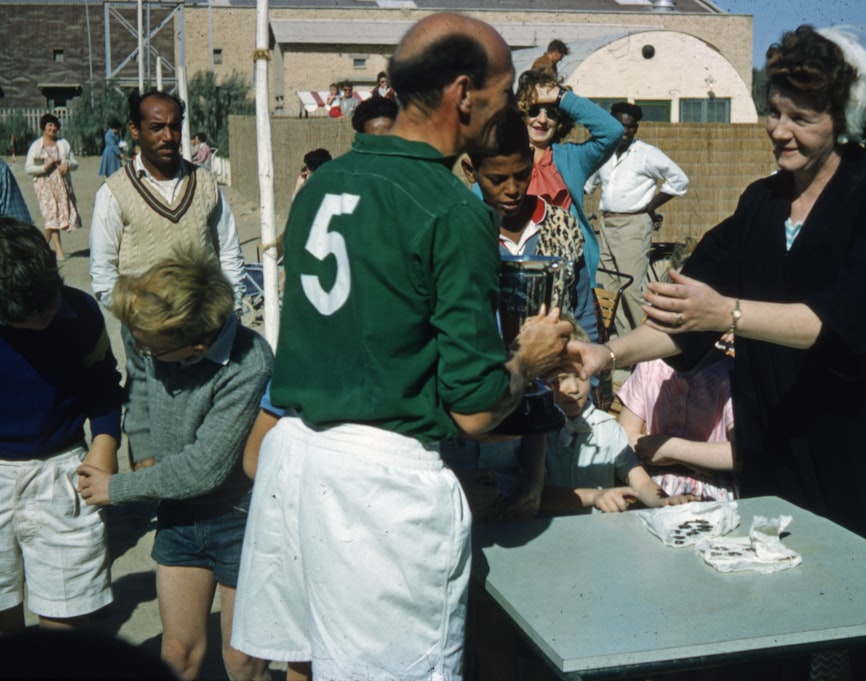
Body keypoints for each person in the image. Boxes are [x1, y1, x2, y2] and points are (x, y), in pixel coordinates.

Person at [566, 25, 866, 678]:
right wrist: (609, 350)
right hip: (792, 465)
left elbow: (847, 321)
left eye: (802, 115)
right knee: (782, 640)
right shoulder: (760, 205)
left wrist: (729, 313)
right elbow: (689, 318)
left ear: (843, 117)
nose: (781, 129)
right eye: (775, 111)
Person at [230, 13, 570, 681]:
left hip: (294, 460)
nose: (507, 111)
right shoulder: (451, 207)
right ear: (464, 94)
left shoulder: (324, 184)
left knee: (300, 667)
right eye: (504, 96)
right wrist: (527, 358)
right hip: (378, 488)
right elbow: (474, 408)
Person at [76, 255, 272, 681]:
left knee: (243, 660)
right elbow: (140, 383)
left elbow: (205, 468)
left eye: (149, 347)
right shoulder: (151, 333)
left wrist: (122, 488)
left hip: (239, 519)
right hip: (179, 513)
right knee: (178, 650)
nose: (140, 348)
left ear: (197, 345)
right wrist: (144, 453)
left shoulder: (250, 364)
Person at [0, 217, 122, 636]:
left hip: (62, 474)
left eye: (50, 307)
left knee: (67, 621)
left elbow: (104, 387)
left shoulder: (82, 315)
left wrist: (104, 443)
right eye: (30, 320)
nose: (45, 320)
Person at [90, 91, 245, 311]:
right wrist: (140, 322)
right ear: (135, 129)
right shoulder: (113, 192)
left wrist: (232, 308)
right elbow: (103, 272)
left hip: (207, 325)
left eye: (174, 127)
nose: (168, 136)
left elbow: (229, 252)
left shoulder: (205, 183)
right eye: (156, 127)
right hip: (147, 334)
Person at [461, 105, 597, 352]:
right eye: (497, 179)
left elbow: (584, 312)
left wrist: (590, 379)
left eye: (522, 175)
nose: (512, 190)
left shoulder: (562, 225)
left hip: (557, 378)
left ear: (531, 157)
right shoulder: (460, 234)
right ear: (471, 172)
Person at [517, 68, 624, 334]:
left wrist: (561, 97)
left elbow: (612, 131)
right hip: (520, 273)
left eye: (551, 113)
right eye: (534, 111)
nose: (542, 120)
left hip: (572, 275)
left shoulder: (572, 158)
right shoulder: (502, 159)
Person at [541, 321, 668, 515]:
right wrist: (596, 496)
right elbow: (541, 495)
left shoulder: (607, 427)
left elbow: (640, 482)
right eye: (561, 379)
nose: (574, 388)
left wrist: (666, 502)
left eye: (581, 376)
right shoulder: (539, 433)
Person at [586, 101, 689, 333]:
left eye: (631, 127)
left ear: (636, 128)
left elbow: (679, 180)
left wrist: (650, 207)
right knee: (608, 288)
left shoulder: (646, 154)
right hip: (606, 224)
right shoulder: (603, 152)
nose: (625, 131)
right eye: (620, 125)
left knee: (631, 290)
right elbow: (587, 184)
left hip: (632, 225)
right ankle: (624, 349)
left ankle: (647, 346)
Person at [617, 354, 736, 502]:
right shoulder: (649, 366)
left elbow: (738, 453)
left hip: (711, 489)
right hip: (652, 486)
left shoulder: (728, 372)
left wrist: (670, 449)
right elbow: (623, 437)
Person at [24, 113, 80, 261]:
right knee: (51, 216)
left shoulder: (63, 144)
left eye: (55, 126)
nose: (52, 128)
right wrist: (43, 167)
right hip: (43, 185)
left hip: (61, 185)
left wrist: (68, 164)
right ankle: (57, 252)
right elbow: (28, 168)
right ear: (44, 127)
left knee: (55, 217)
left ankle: (40, 250)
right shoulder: (36, 146)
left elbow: (75, 163)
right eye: (49, 125)